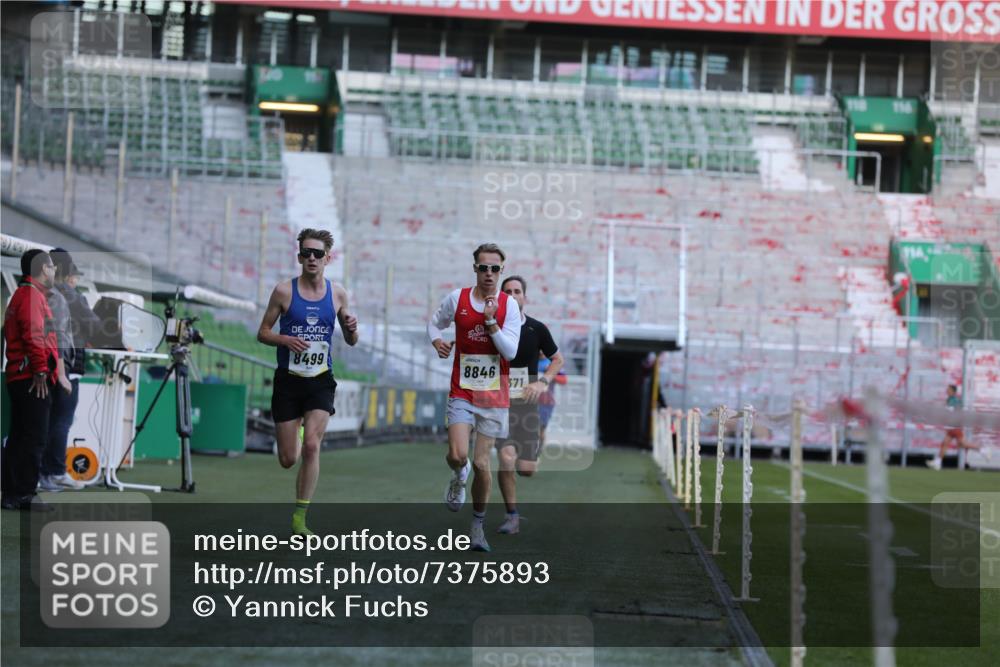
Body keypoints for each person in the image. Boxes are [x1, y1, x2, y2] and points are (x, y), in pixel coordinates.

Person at [257, 229, 359, 535]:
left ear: (328, 258)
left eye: (317, 253)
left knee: (312, 446)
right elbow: (262, 332)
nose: (311, 258)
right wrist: (284, 339)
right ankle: (296, 435)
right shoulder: (283, 292)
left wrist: (352, 328)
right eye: (306, 253)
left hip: (320, 381)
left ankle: (300, 517)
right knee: (289, 459)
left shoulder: (337, 293)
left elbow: (352, 340)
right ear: (299, 256)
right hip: (288, 382)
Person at [428, 243, 521, 552]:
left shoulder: (510, 306)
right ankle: (458, 476)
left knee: (483, 463)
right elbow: (433, 321)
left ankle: (477, 528)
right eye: (484, 268)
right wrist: (437, 340)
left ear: (501, 270)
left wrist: (491, 322)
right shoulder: (458, 299)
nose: (489, 274)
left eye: (495, 268)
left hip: (494, 397)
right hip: (463, 391)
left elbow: (510, 351)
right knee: (457, 455)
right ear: (475, 269)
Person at [494, 276, 564, 536]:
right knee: (505, 458)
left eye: (517, 291)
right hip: (499, 407)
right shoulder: (492, 329)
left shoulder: (536, 329)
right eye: (508, 292)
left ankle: (533, 456)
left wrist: (542, 382)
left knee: (527, 470)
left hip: (527, 407)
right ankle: (512, 516)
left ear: (524, 297)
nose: (512, 296)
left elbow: (558, 359)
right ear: (501, 297)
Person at [2, 250, 60, 510]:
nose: (54, 270)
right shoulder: (30, 296)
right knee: (33, 437)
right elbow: (35, 336)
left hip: (23, 375)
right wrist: (40, 371)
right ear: (42, 269)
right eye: (51, 266)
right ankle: (23, 493)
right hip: (31, 377)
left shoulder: (26, 295)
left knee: (21, 436)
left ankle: (14, 494)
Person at [39, 249, 98, 491]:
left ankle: (39, 472)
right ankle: (53, 472)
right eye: (74, 274)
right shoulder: (71, 295)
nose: (76, 279)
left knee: (43, 421)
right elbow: (94, 325)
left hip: (41, 363)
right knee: (62, 420)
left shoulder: (39, 291)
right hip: (67, 365)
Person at [926, 384, 987, 470]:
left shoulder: (953, 400)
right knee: (946, 443)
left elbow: (951, 411)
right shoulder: (952, 399)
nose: (947, 390)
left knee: (961, 444)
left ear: (953, 391)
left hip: (954, 425)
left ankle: (982, 450)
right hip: (953, 425)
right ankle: (938, 462)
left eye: (948, 389)